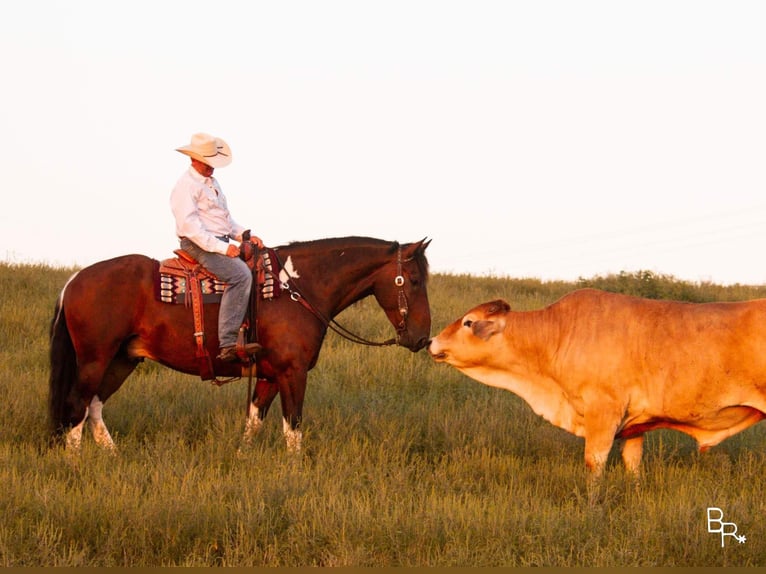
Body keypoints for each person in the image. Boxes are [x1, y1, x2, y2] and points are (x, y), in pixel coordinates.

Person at [170, 132, 263, 362]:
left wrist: (243, 236)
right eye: (207, 162)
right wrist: (224, 249)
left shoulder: (212, 183)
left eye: (213, 162)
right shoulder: (186, 186)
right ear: (194, 159)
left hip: (216, 240)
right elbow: (191, 228)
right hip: (197, 244)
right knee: (241, 275)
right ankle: (228, 342)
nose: (212, 167)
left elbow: (224, 221)